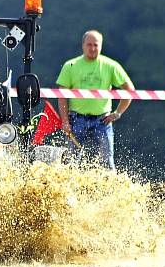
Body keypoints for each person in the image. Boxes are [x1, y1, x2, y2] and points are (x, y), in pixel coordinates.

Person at [56, 29, 134, 170]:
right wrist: (65, 121)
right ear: (83, 45)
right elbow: (62, 96)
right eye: (89, 44)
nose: (92, 48)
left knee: (107, 161)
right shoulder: (70, 66)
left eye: (96, 45)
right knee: (72, 160)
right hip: (76, 120)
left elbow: (129, 90)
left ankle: (110, 189)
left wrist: (118, 113)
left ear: (101, 46)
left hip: (102, 120)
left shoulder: (111, 66)